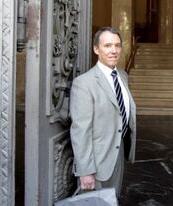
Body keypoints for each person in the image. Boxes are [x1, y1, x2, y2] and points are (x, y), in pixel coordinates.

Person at [69, 27, 137, 197]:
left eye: (117, 45)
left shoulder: (122, 76)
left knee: (112, 201)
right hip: (96, 163)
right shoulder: (84, 83)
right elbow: (81, 130)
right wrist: (85, 171)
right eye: (107, 46)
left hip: (117, 155)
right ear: (96, 49)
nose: (114, 50)